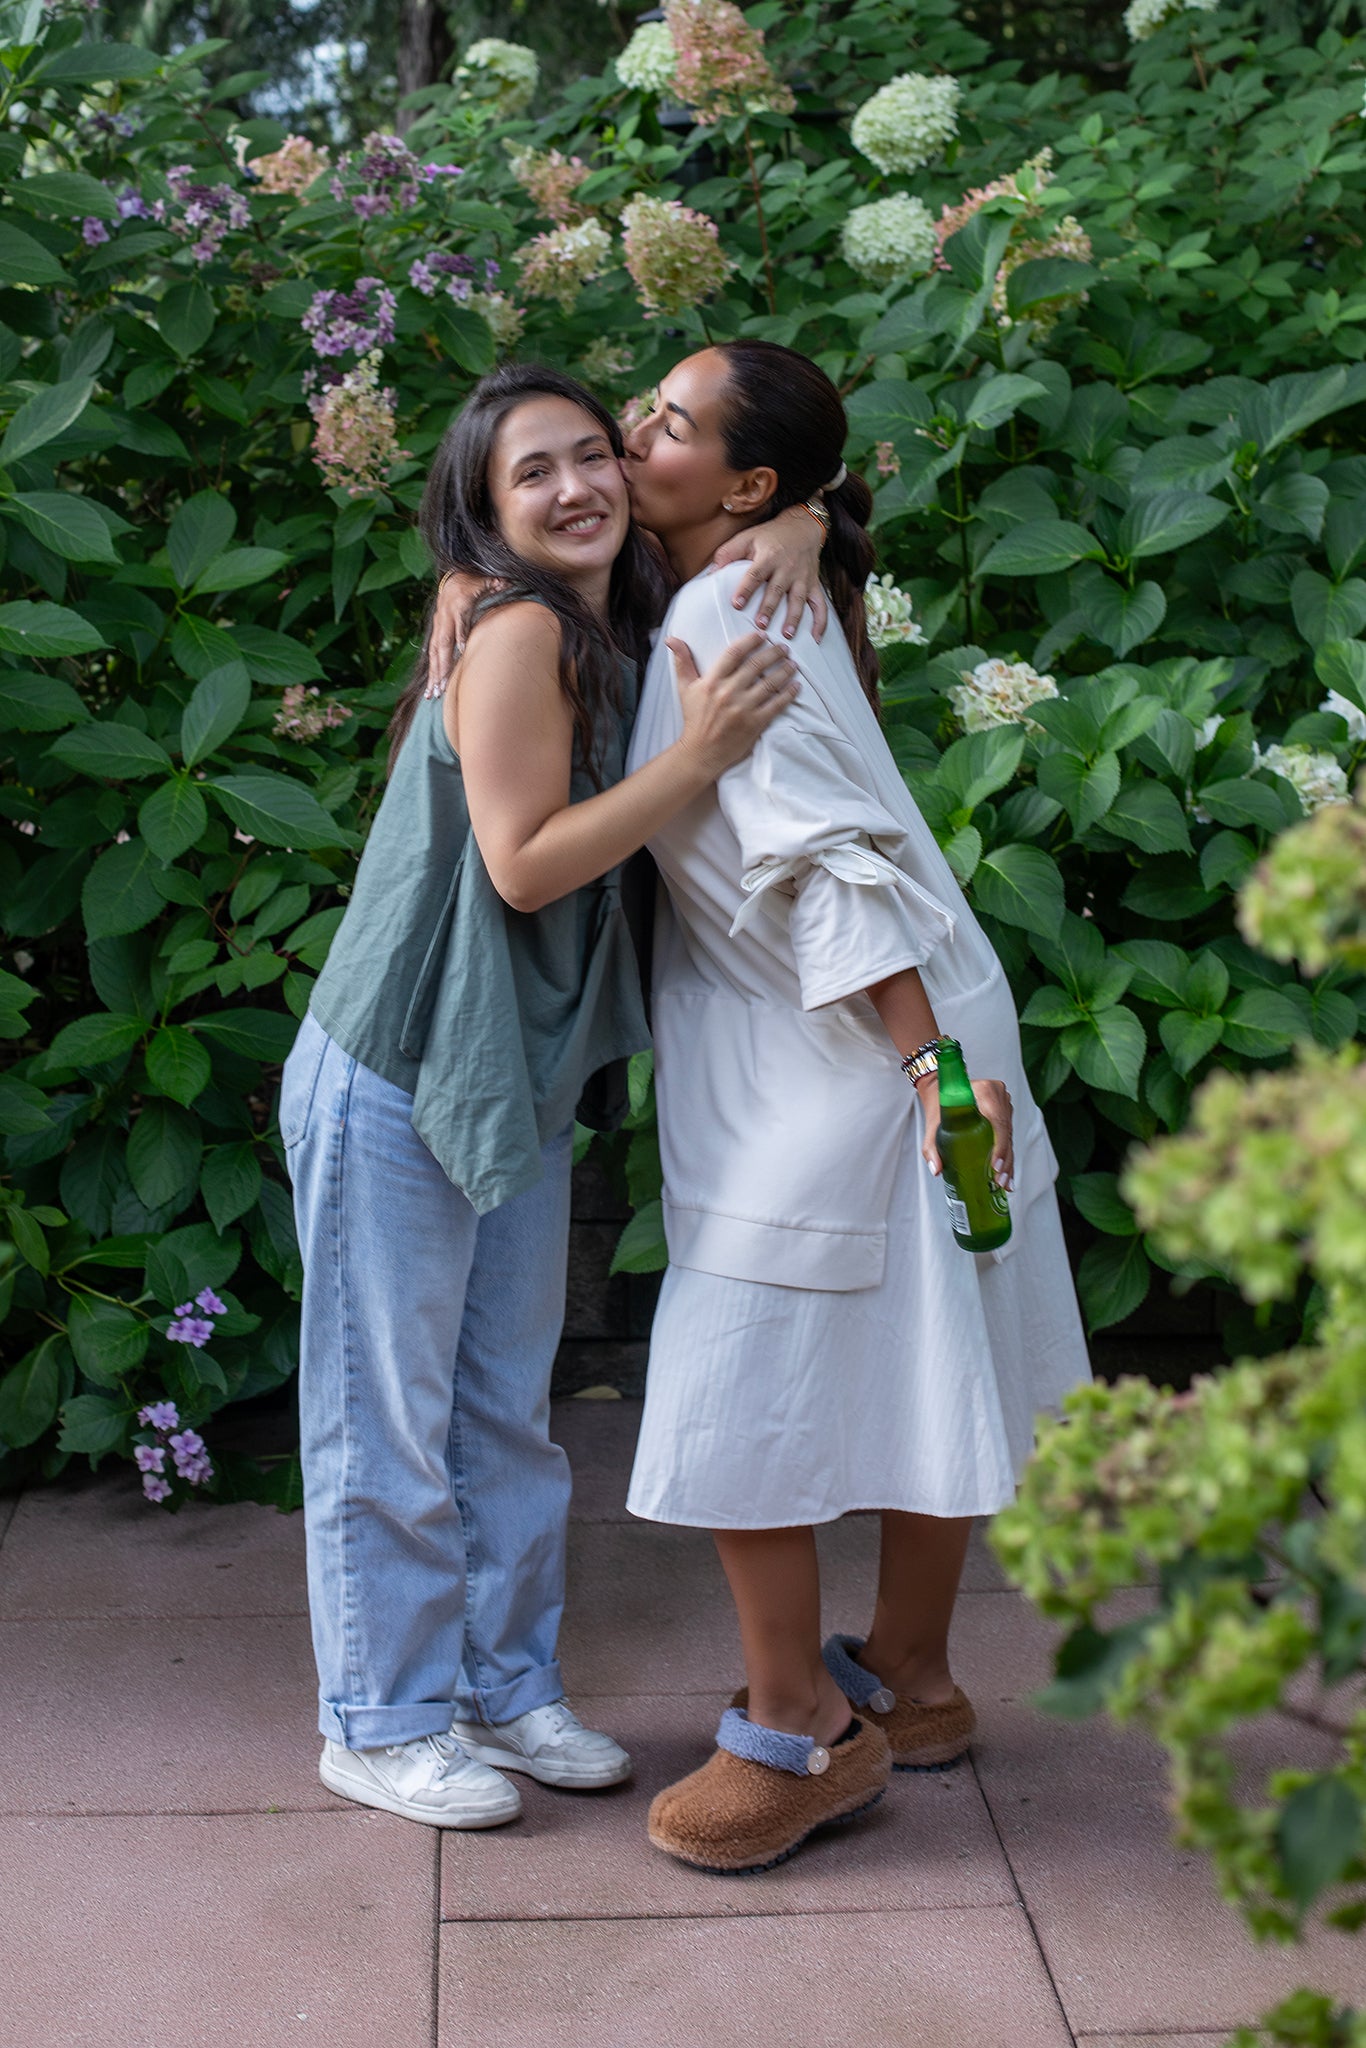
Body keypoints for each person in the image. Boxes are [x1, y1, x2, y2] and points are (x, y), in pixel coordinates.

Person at [280, 362, 820, 1831]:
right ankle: (378, 1722)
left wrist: (809, 523)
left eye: (595, 454)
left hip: (507, 1076)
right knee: (384, 1418)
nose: (578, 485)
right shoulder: (516, 628)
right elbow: (524, 864)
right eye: (535, 472)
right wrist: (704, 758)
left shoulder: (618, 610)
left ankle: (502, 1692)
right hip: (396, 1073)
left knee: (504, 1415)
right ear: (485, 508)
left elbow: (792, 491)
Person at [613, 340, 1093, 1875]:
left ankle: (801, 1730)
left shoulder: (713, 605)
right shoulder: (761, 572)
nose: (635, 432)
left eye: (670, 423)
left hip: (852, 1035)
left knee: (733, 1374)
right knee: (923, 1340)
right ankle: (916, 1677)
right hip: (900, 1013)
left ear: (744, 486)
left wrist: (923, 1066)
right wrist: (817, 515)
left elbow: (817, 851)